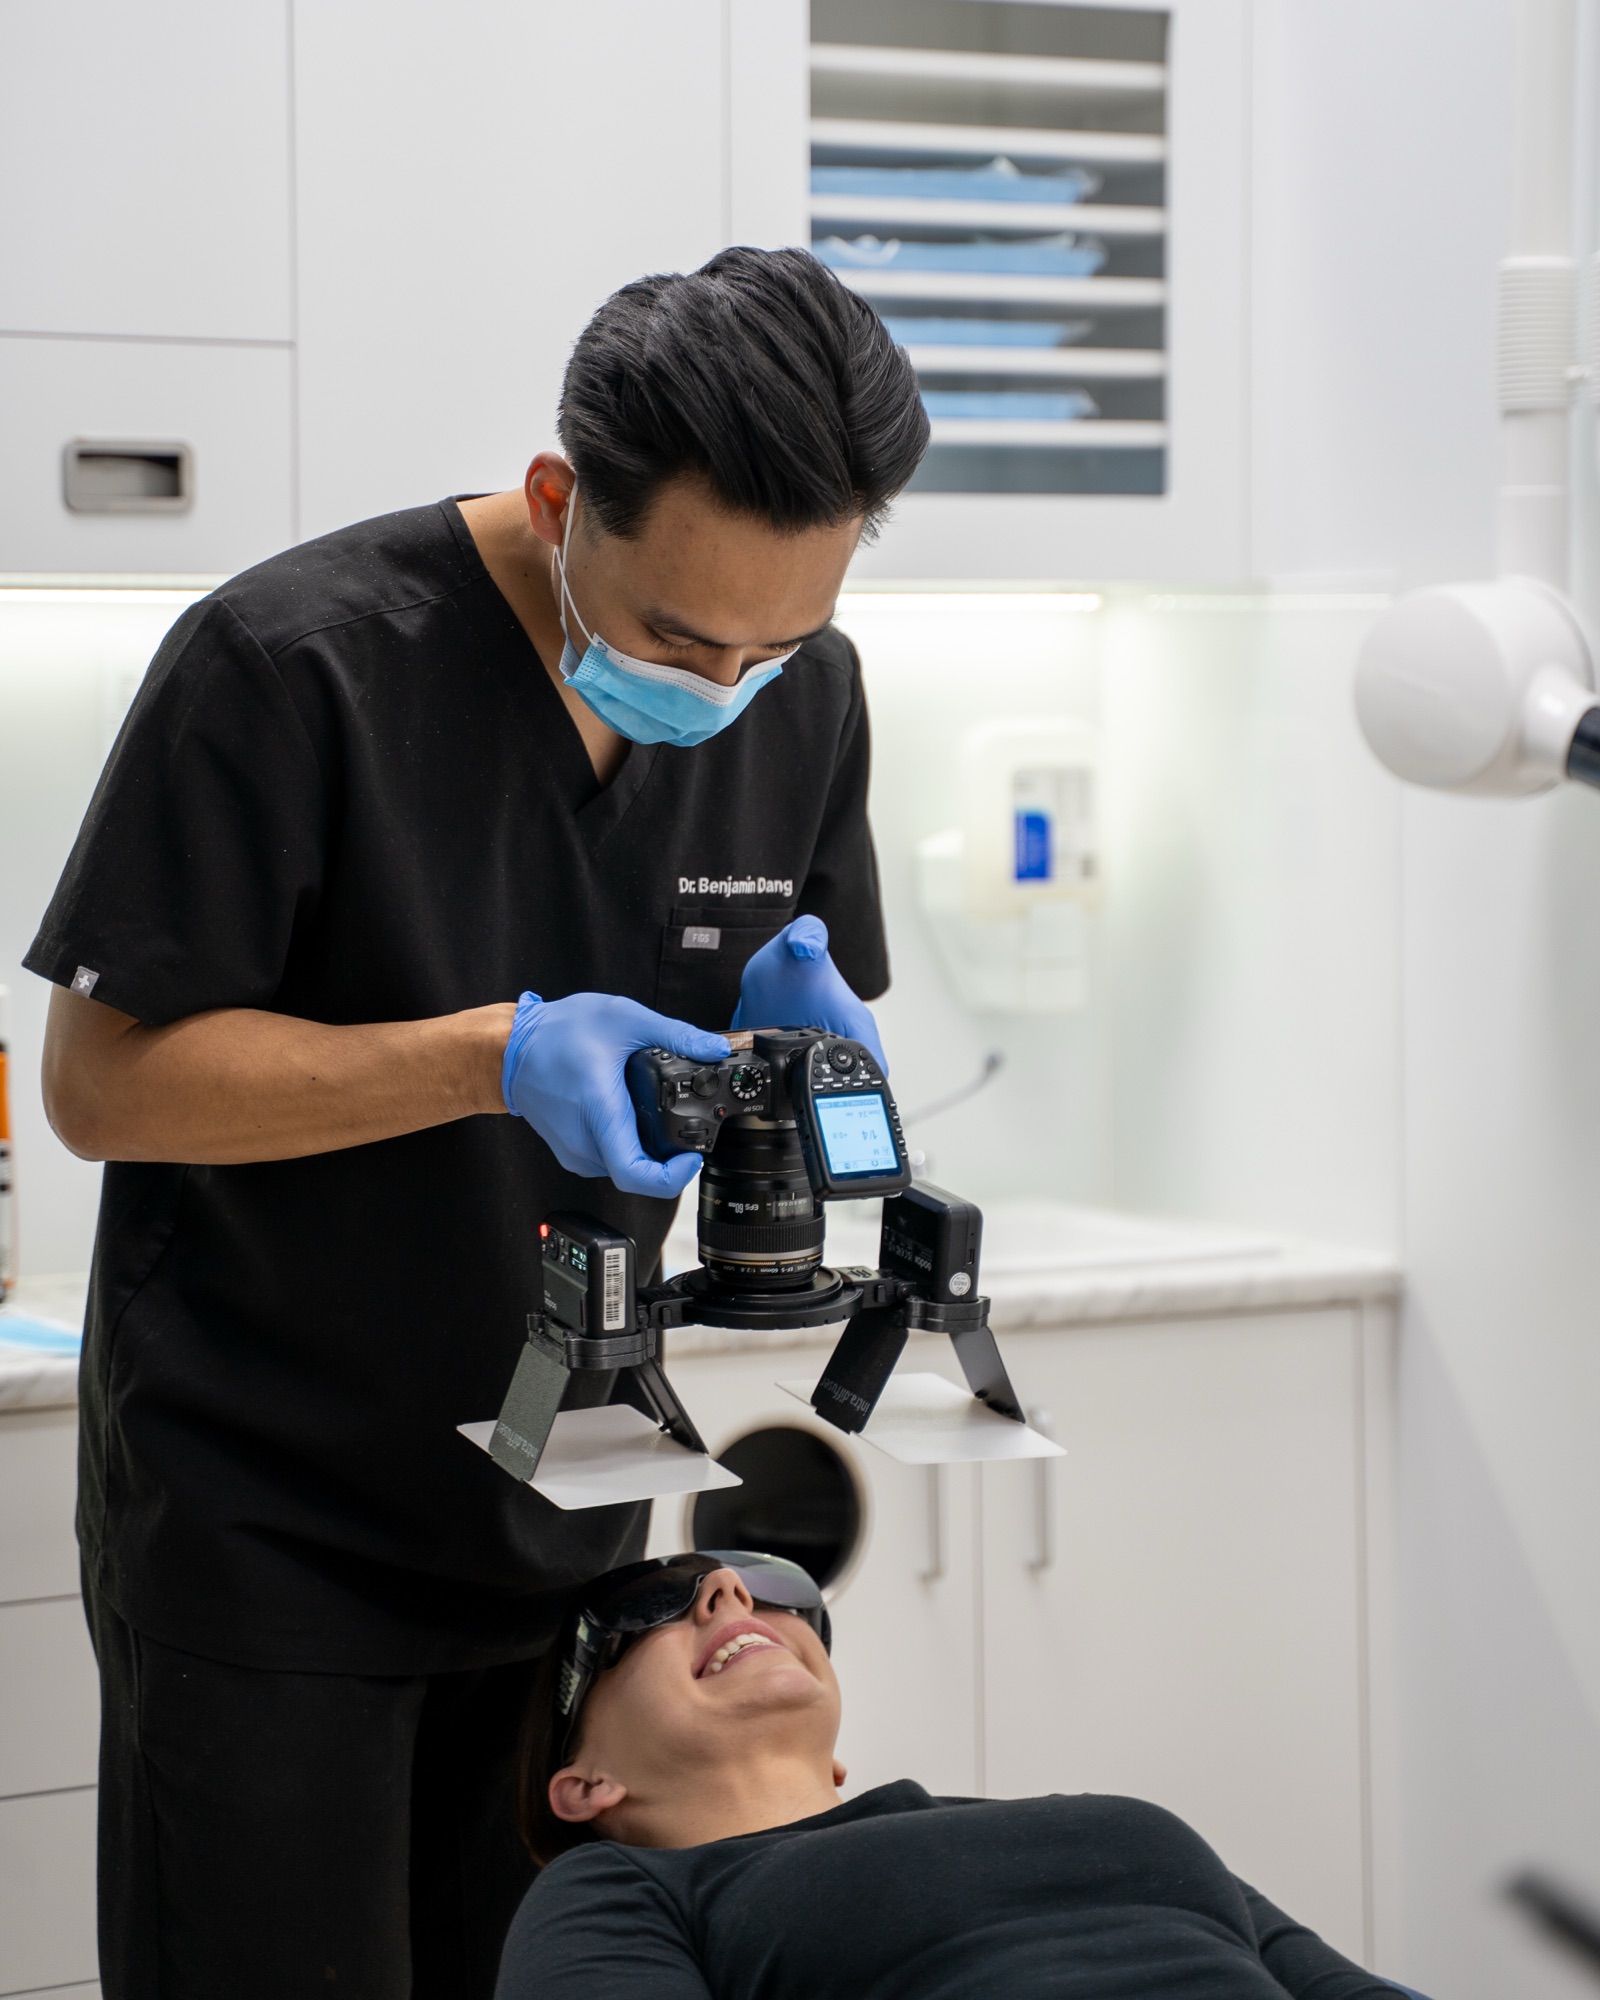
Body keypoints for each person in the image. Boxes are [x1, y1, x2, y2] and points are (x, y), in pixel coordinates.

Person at [27, 247, 929, 1999]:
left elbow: (785, 998)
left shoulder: (801, 692)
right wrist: (487, 1052)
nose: (727, 683)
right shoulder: (291, 664)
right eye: (680, 637)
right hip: (273, 1528)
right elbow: (100, 1086)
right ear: (557, 499)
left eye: (778, 640)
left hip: (579, 1518)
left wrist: (820, 1061)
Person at [499, 1552, 1424, 2000]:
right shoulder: (620, 1887)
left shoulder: (1081, 1817)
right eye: (651, 1606)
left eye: (778, 1591)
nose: (732, 1594)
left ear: (835, 1761)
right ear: (587, 1784)